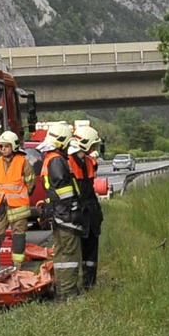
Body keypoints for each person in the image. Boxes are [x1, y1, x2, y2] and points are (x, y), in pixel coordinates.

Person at [39, 124, 84, 289]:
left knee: (60, 253)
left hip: (58, 214)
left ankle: (62, 288)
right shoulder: (57, 160)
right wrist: (74, 206)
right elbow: (62, 189)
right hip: (65, 214)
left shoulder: (50, 158)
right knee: (69, 253)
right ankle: (68, 290)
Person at [0, 131, 32, 269]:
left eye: (6, 146)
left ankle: (17, 267)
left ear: (14, 147)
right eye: (1, 146)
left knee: (18, 237)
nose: (3, 149)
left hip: (19, 208)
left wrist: (18, 196)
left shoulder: (23, 163)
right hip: (0, 206)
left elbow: (31, 183)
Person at [70, 124, 103, 290]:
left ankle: (90, 284)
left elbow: (90, 190)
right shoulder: (67, 162)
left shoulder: (89, 162)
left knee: (91, 251)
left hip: (90, 212)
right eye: (93, 145)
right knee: (75, 250)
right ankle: (73, 285)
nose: (94, 148)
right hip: (77, 214)